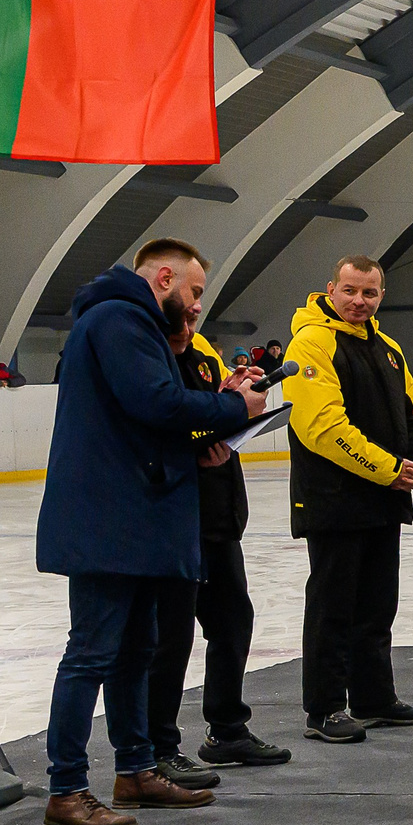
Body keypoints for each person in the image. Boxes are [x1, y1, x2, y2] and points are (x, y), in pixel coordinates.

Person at [36, 240, 267, 825]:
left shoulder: (132, 321)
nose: (197, 306)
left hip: (132, 515)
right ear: (164, 277)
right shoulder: (120, 318)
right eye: (194, 292)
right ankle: (66, 790)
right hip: (108, 519)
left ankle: (135, 769)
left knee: (137, 650)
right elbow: (155, 403)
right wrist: (232, 406)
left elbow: (140, 423)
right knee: (90, 654)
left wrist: (200, 444)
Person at [288, 255, 413, 745]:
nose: (359, 301)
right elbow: (323, 428)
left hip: (383, 499)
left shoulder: (388, 348)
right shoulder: (312, 342)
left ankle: (374, 697)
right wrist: (389, 469)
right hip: (334, 500)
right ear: (331, 289)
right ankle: (325, 707)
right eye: (350, 290)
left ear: (381, 297)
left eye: (369, 293)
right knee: (332, 608)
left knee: (376, 605)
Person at [143, 303, 279, 781]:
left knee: (232, 621)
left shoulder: (200, 357)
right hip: (174, 520)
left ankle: (226, 729)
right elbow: (164, 426)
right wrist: (200, 440)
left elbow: (210, 414)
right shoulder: (148, 360)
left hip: (217, 517)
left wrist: (231, 395)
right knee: (170, 638)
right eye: (181, 316)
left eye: (194, 314)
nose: (188, 325)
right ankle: (156, 748)